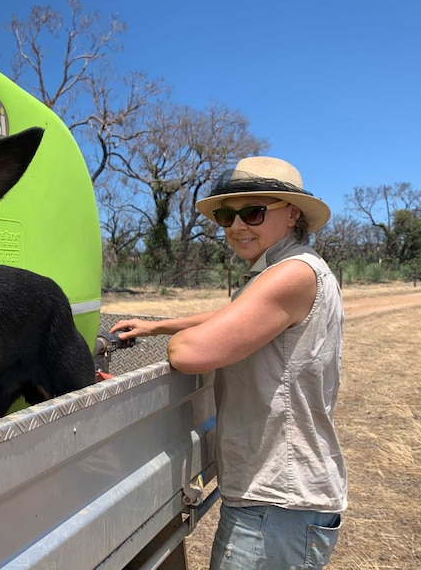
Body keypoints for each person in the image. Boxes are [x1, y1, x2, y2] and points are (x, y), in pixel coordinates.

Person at [111, 156, 347, 569]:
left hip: (275, 503)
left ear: (293, 214)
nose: (237, 227)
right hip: (276, 499)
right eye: (226, 215)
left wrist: (173, 340)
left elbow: (190, 353)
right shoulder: (289, 270)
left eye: (253, 213)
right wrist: (157, 326)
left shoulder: (291, 273)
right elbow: (233, 315)